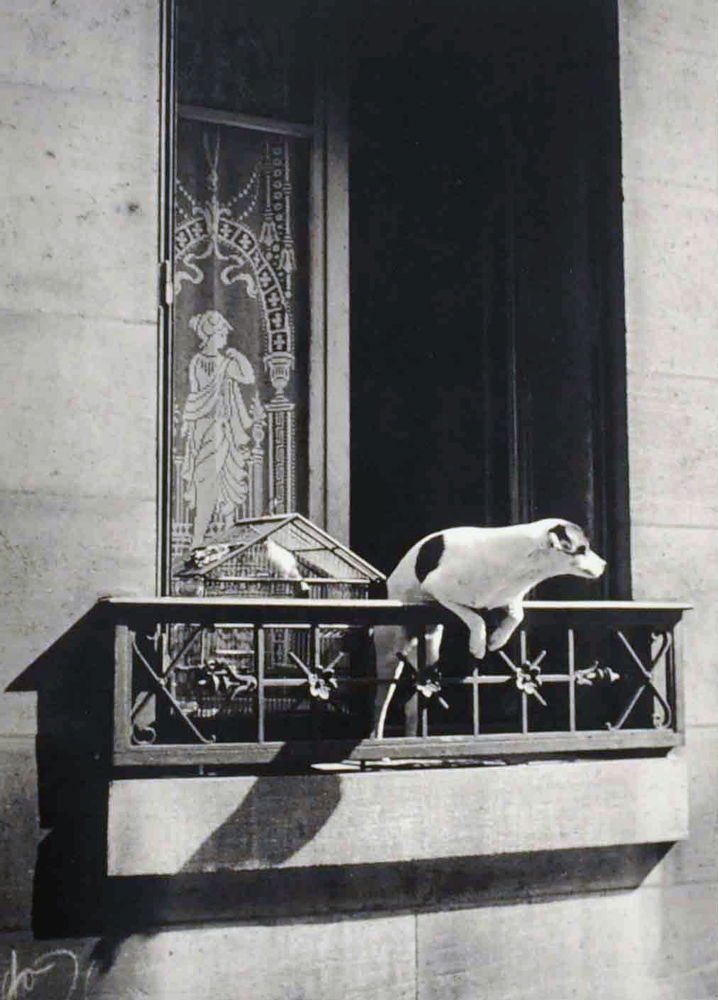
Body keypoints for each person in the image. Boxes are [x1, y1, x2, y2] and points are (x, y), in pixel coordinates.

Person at [181, 309, 258, 547]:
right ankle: (197, 540)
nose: (226, 337)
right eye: (223, 332)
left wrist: (238, 356)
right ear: (212, 334)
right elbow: (198, 394)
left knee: (228, 485)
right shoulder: (201, 362)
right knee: (206, 485)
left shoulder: (226, 362)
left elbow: (248, 377)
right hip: (207, 429)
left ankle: (228, 541)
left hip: (224, 430)